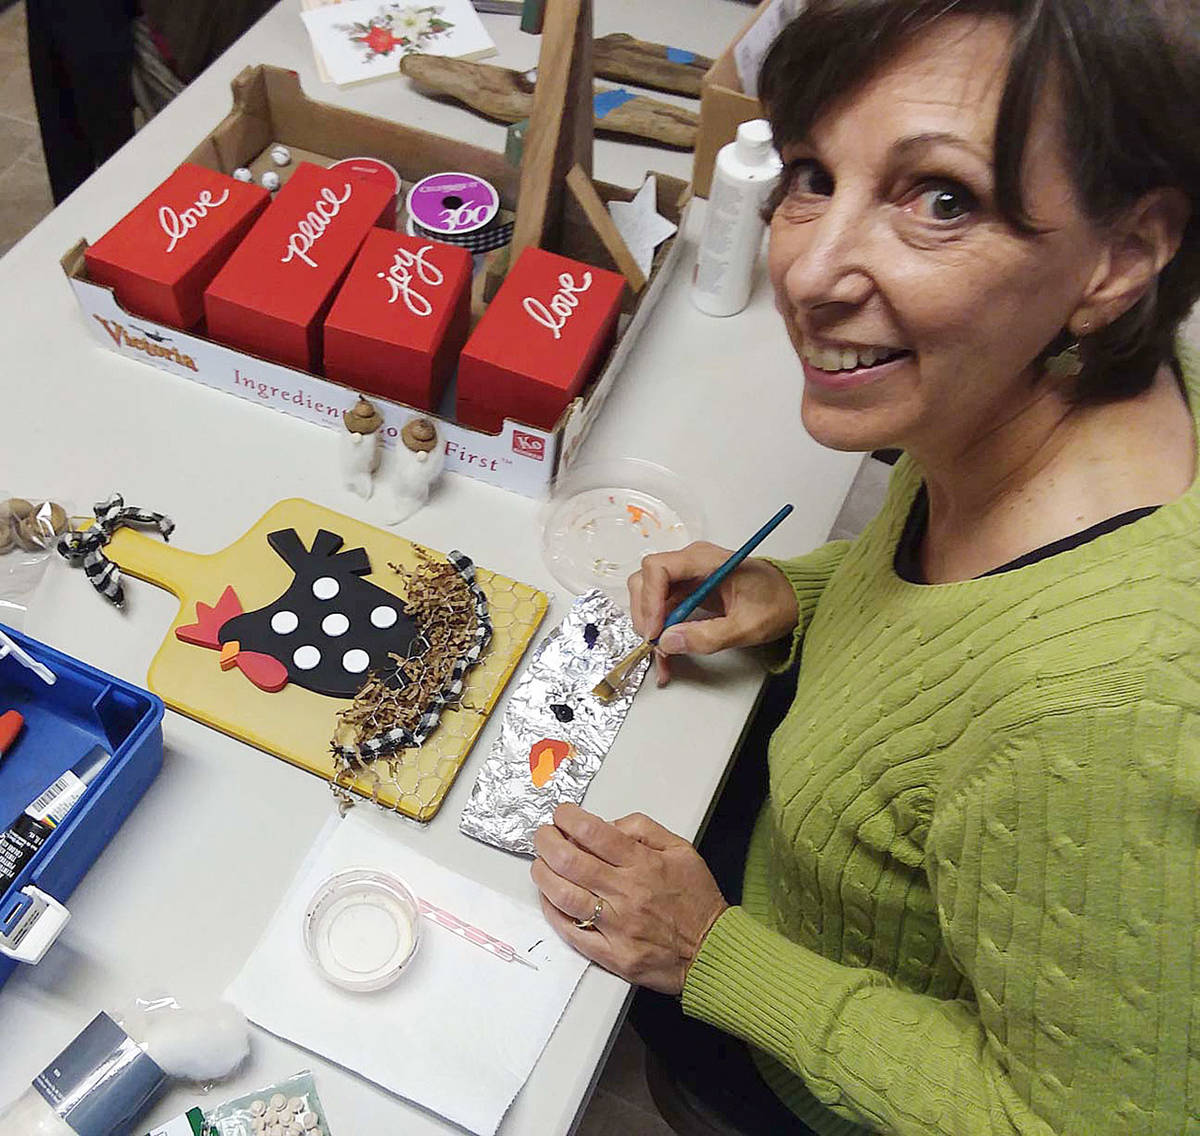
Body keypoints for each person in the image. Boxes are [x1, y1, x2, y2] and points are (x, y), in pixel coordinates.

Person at [529, 1, 1200, 1132]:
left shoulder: (1106, 711)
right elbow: (958, 614)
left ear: (1121, 256)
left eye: (942, 198)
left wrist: (715, 953)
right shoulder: (1048, 386)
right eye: (811, 175)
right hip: (801, 852)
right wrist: (811, 591)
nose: (812, 270)